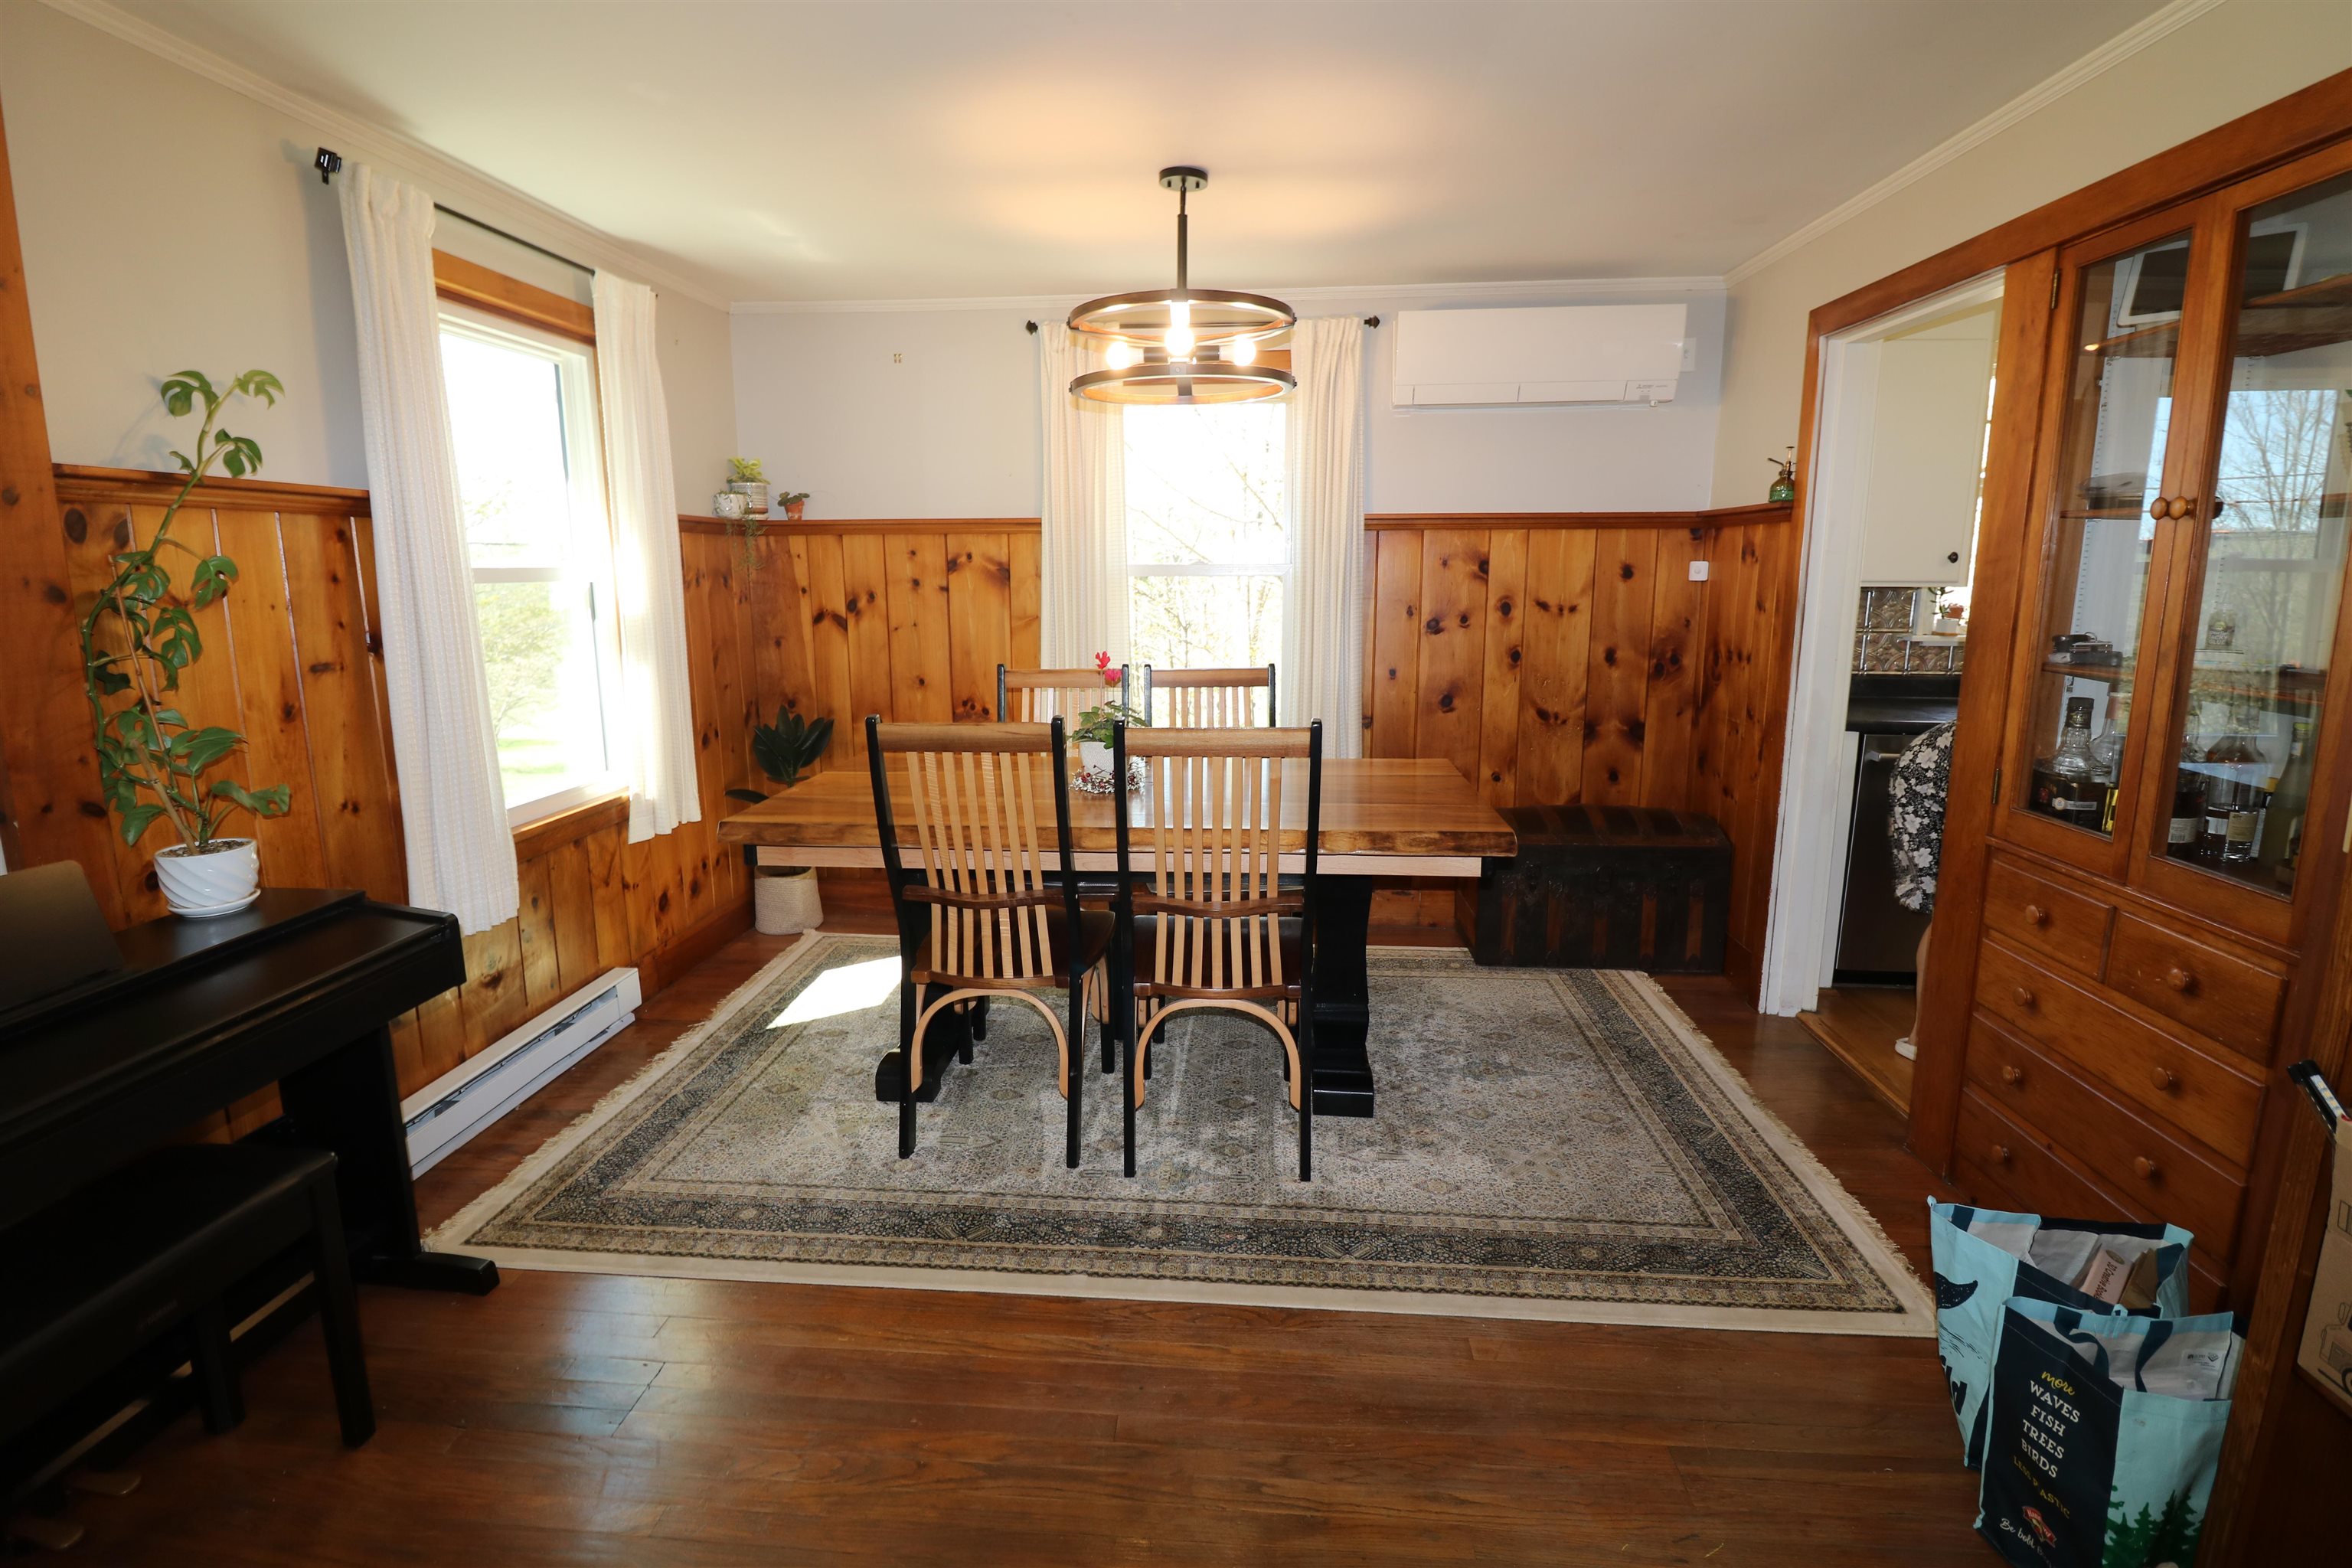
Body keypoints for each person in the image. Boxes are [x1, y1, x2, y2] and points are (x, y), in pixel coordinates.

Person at [1886, 720, 1956, 1060]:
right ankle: (1922, 1035)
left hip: (1953, 769)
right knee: (1950, 909)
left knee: (1956, 908)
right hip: (1929, 776)